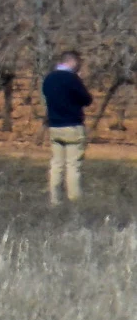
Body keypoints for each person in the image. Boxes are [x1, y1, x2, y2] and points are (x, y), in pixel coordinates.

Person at [43, 51, 93, 205]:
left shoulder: (49, 79)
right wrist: (79, 80)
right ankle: (74, 200)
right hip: (72, 126)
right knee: (73, 165)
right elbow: (87, 99)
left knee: (56, 164)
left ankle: (55, 200)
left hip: (54, 126)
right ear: (72, 62)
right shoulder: (72, 79)